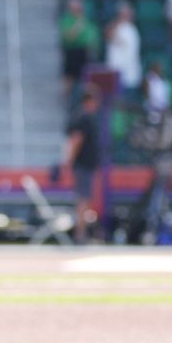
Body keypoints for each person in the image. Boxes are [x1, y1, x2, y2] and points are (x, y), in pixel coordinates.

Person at [61, 88, 105, 242]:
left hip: (86, 165)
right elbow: (76, 140)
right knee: (83, 200)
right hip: (83, 165)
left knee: (85, 199)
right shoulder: (83, 118)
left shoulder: (85, 117)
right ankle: (80, 234)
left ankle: (82, 232)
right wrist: (69, 161)